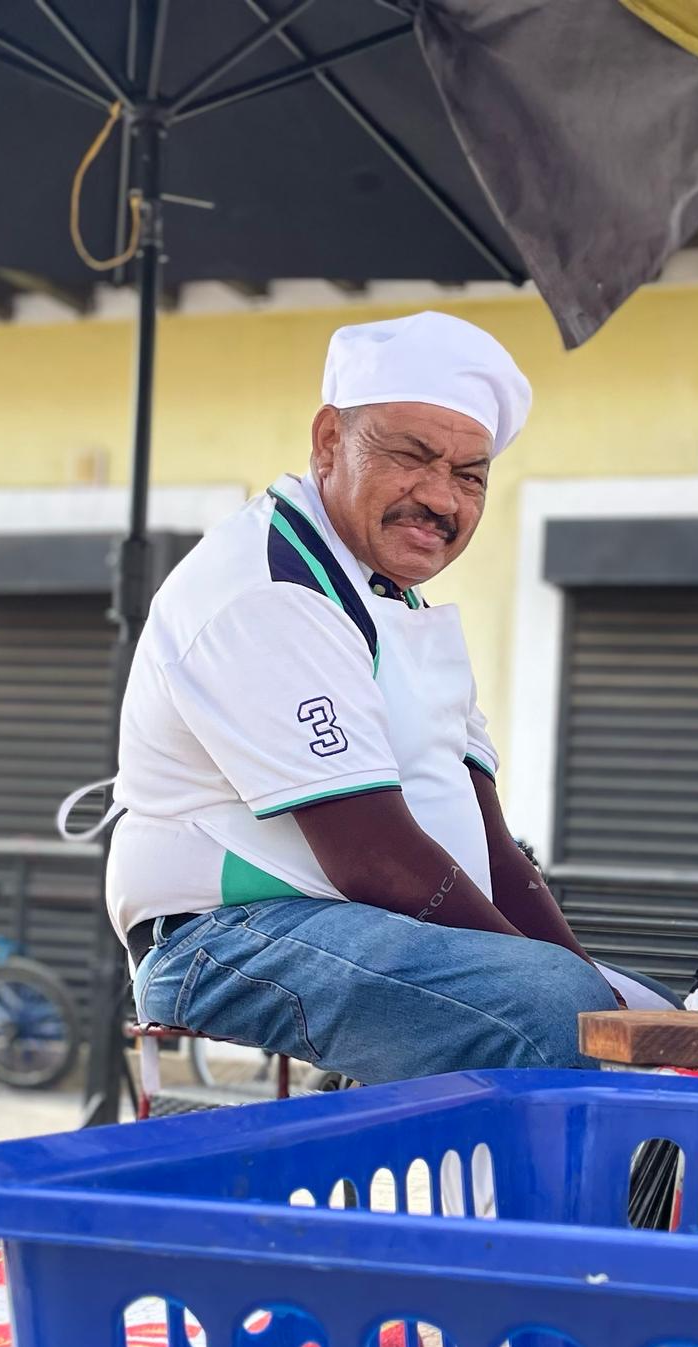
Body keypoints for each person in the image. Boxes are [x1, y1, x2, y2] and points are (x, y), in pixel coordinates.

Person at [106, 311, 657, 1083]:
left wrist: (614, 1005)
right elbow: (372, 858)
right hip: (218, 937)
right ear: (329, 439)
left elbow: (495, 853)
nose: (441, 497)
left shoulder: (392, 601)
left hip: (360, 921)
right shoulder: (269, 589)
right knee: (550, 1006)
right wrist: (568, 993)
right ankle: (557, 1206)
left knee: (655, 1025)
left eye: (470, 474)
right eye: (412, 456)